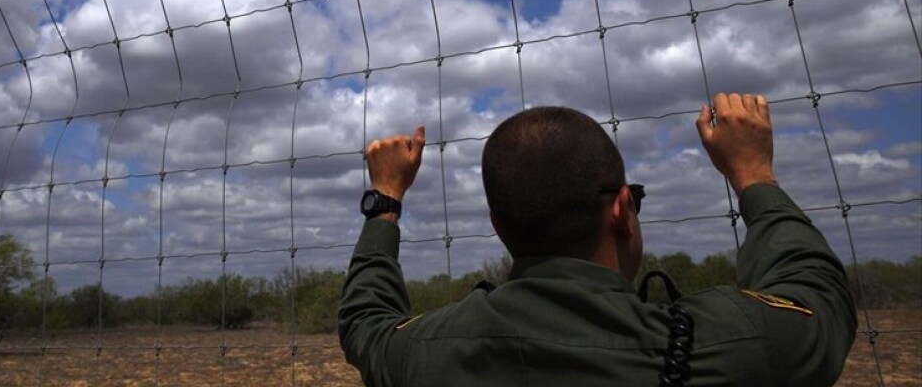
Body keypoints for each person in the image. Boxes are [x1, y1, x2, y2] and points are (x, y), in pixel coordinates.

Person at [339, 93, 856, 386]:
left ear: (498, 226)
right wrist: (754, 175)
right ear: (620, 210)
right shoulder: (731, 346)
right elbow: (819, 299)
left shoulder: (426, 354)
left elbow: (365, 323)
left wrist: (386, 197)